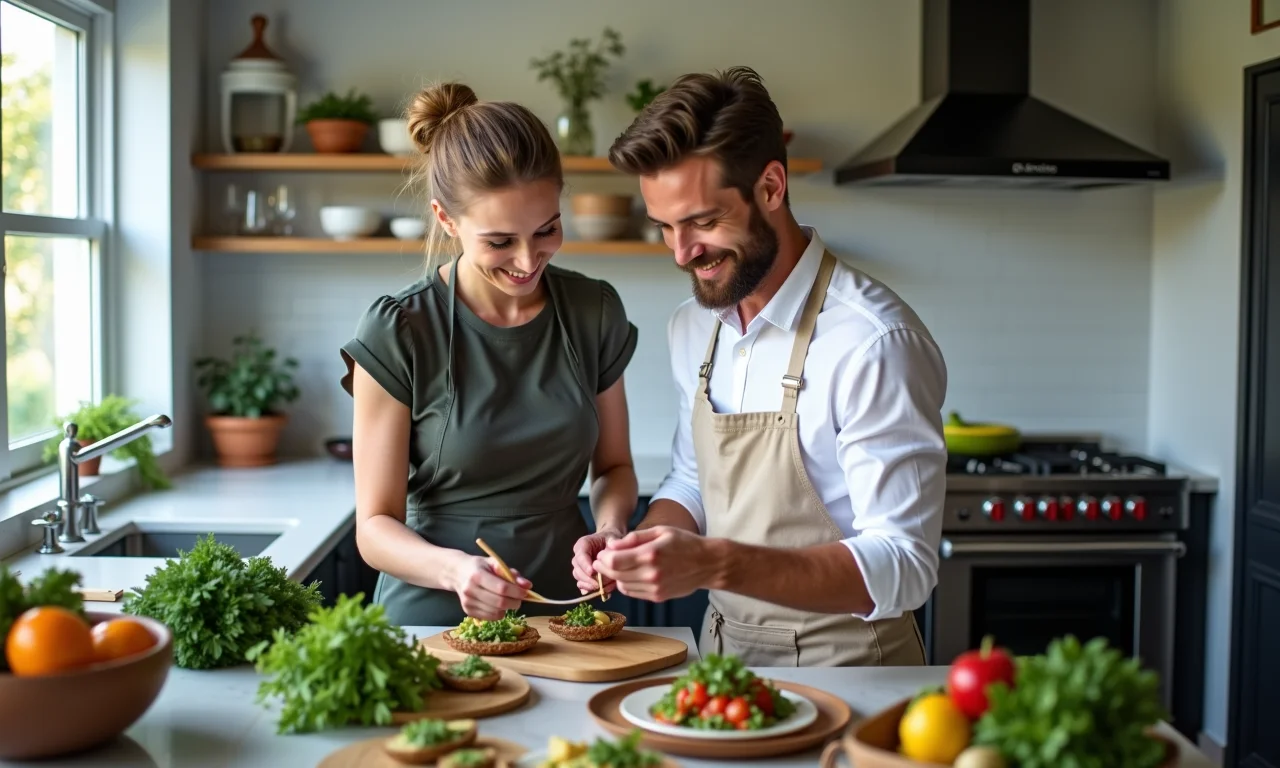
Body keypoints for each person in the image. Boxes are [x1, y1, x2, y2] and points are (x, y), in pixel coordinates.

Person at [583, 66, 947, 666]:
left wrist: (714, 562)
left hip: (854, 669)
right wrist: (635, 542)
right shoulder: (693, 326)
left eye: (702, 221)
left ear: (772, 187)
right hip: (724, 658)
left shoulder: (872, 340)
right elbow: (692, 483)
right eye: (666, 227)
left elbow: (905, 565)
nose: (682, 253)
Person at [339, 82, 640, 626]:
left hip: (567, 616)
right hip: (432, 617)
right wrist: (455, 572)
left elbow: (614, 467)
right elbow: (375, 527)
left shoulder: (593, 311)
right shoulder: (400, 329)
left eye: (547, 229)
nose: (528, 260)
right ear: (447, 219)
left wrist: (612, 529)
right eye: (500, 241)